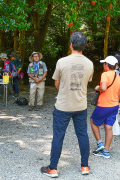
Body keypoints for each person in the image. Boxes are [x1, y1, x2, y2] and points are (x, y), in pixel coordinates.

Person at [40, 31, 94, 177]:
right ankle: (85, 166)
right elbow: (87, 81)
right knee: (82, 135)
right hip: (80, 106)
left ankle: (53, 168)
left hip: (63, 106)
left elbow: (56, 84)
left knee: (58, 136)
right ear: (84, 46)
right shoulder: (89, 63)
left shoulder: (62, 62)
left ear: (71, 44)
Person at [90, 56, 120, 159]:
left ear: (107, 65)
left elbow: (103, 87)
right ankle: (106, 151)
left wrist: (97, 88)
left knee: (93, 121)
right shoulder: (118, 76)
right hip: (114, 105)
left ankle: (100, 144)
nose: (103, 65)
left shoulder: (105, 74)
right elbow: (118, 92)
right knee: (108, 127)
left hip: (104, 105)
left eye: (104, 64)